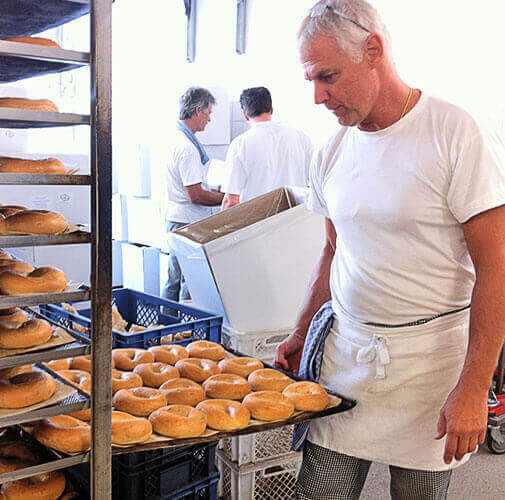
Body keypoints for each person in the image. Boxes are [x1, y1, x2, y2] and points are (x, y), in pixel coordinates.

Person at [274, 1, 505, 498]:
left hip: (431, 372)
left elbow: (497, 268)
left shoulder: (454, 132)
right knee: (318, 492)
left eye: (327, 77)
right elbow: (333, 250)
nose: (317, 97)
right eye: (311, 80)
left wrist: (473, 388)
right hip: (345, 361)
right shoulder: (332, 148)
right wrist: (299, 330)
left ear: (372, 50)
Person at [162, 87, 224, 305]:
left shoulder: (175, 139)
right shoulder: (188, 148)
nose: (209, 119)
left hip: (176, 218)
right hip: (188, 222)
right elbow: (196, 195)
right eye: (208, 113)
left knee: (174, 278)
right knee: (189, 282)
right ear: (197, 111)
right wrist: (226, 197)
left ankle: (166, 326)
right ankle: (184, 329)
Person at [221, 86, 313, 210]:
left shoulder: (240, 144)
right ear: (271, 109)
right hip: (295, 219)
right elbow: (314, 184)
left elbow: (231, 201)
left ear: (245, 114)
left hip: (259, 223)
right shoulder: (301, 137)